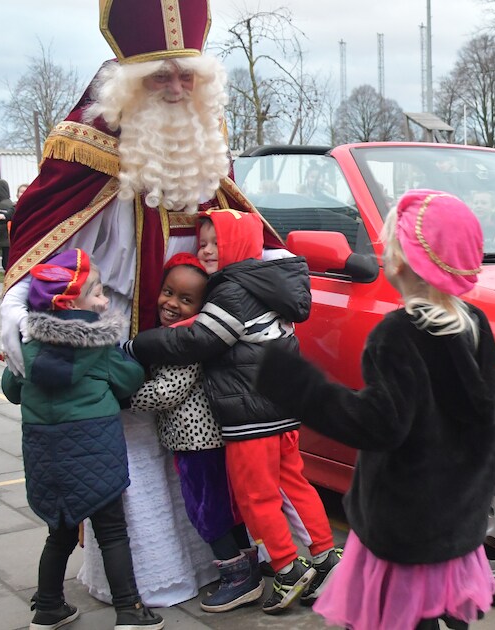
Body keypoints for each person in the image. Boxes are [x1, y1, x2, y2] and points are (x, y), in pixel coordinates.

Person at [0, 0, 287, 607]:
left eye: (189, 74)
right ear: (129, 82)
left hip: (207, 339)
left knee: (210, 460)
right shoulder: (85, 144)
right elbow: (44, 237)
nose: (178, 88)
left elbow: (237, 228)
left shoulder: (205, 137)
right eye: (161, 75)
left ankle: (237, 560)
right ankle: (151, 580)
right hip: (124, 337)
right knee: (138, 464)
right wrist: (22, 311)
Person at [253, 190, 495, 630]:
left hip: (403, 523)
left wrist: (297, 384)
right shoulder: (474, 324)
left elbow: (377, 424)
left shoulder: (397, 335)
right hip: (457, 520)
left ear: (401, 262)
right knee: (443, 610)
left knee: (400, 616)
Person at [123, 209, 339, 614]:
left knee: (256, 495)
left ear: (236, 247)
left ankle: (287, 569)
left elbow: (200, 341)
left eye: (213, 243)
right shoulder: (268, 284)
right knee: (293, 484)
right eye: (201, 242)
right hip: (283, 407)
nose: (203, 250)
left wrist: (139, 345)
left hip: (250, 414)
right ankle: (326, 556)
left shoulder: (232, 289)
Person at [0, 248, 164, 630]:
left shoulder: (25, 345)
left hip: (45, 453)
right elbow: (130, 380)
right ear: (70, 301)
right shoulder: (99, 346)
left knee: (57, 533)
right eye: (97, 293)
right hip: (95, 448)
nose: (105, 300)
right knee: (111, 532)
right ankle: (130, 610)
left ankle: (48, 608)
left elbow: (11, 387)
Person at [127, 253, 263, 612]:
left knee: (207, 508)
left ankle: (237, 576)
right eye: (168, 292)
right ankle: (247, 566)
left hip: (196, 441)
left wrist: (124, 397)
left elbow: (166, 392)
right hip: (209, 439)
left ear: (202, 308)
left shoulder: (184, 343)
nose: (171, 304)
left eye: (185, 300)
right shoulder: (185, 336)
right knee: (225, 507)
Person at [0, 179, 16, 272]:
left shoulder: (3, 205)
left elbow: (1, 224)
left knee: (6, 262)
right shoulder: (9, 203)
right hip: (7, 239)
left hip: (5, 239)